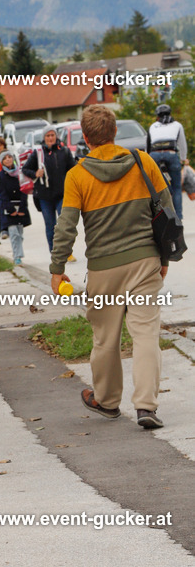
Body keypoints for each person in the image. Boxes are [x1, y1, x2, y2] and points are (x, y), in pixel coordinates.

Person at [49, 105, 174, 430]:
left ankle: (107, 401)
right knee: (146, 334)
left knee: (106, 338)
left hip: (104, 269)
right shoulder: (142, 162)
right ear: (115, 131)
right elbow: (167, 209)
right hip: (144, 262)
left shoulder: (77, 175)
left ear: (86, 138)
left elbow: (66, 225)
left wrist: (57, 266)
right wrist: (162, 259)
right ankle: (146, 406)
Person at [22, 124, 76, 252]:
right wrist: (35, 173)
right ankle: (54, 252)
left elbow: (73, 169)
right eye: (48, 135)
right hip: (44, 196)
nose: (50, 138)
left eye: (52, 135)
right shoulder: (38, 153)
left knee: (64, 225)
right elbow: (25, 169)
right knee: (50, 226)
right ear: (44, 138)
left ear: (56, 136)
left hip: (61, 194)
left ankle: (66, 251)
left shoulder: (64, 151)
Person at [147, 102, 188, 221]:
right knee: (176, 187)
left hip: (155, 155)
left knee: (155, 187)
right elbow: (182, 144)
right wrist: (183, 159)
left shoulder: (153, 126)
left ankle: (159, 214)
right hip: (171, 154)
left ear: (157, 116)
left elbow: (147, 146)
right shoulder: (177, 125)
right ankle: (178, 217)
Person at [0, 150, 30, 265]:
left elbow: (24, 190)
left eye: (9, 157)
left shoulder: (21, 173)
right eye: (4, 158)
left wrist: (22, 208)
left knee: (19, 233)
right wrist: (11, 209)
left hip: (20, 207)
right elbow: (1, 194)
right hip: (9, 209)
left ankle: (18, 253)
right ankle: (17, 256)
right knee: (13, 232)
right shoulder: (0, 176)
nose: (8, 160)